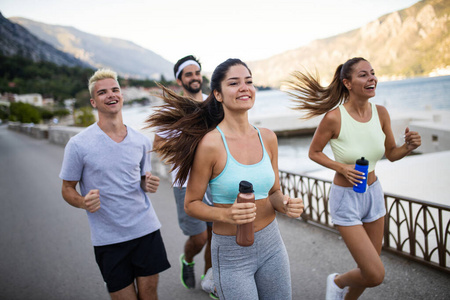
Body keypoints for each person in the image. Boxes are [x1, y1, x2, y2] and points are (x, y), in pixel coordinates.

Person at [146, 58, 304, 299]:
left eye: (249, 81)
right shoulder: (210, 144)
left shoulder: (268, 137)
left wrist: (285, 203)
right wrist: (225, 214)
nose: (244, 87)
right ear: (218, 95)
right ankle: (212, 277)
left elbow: (273, 192)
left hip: (273, 246)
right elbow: (191, 204)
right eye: (234, 83)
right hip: (231, 253)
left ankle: (214, 280)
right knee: (200, 238)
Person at [287, 57, 422, 300]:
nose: (372, 78)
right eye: (363, 75)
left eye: (373, 73)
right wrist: (341, 167)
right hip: (346, 199)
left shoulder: (381, 113)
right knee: (375, 273)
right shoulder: (334, 117)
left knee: (369, 272)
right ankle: (337, 281)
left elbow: (391, 154)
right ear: (348, 83)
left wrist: (408, 147)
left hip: (373, 194)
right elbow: (313, 152)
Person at [59, 68, 170, 300]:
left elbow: (140, 178)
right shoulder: (78, 145)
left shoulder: (140, 140)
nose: (110, 95)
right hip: (108, 239)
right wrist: (83, 202)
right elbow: (67, 188)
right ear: (93, 101)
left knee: (150, 295)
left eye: (115, 90)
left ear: (121, 95)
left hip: (145, 230)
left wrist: (147, 183)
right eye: (102, 92)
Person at [152, 54, 216, 297]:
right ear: (180, 80)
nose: (195, 78)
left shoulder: (213, 106)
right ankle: (188, 259)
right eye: (188, 74)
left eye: (197, 73)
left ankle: (210, 278)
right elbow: (158, 144)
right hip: (186, 183)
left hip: (216, 181)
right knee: (199, 237)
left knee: (216, 235)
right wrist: (184, 155)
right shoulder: (172, 109)